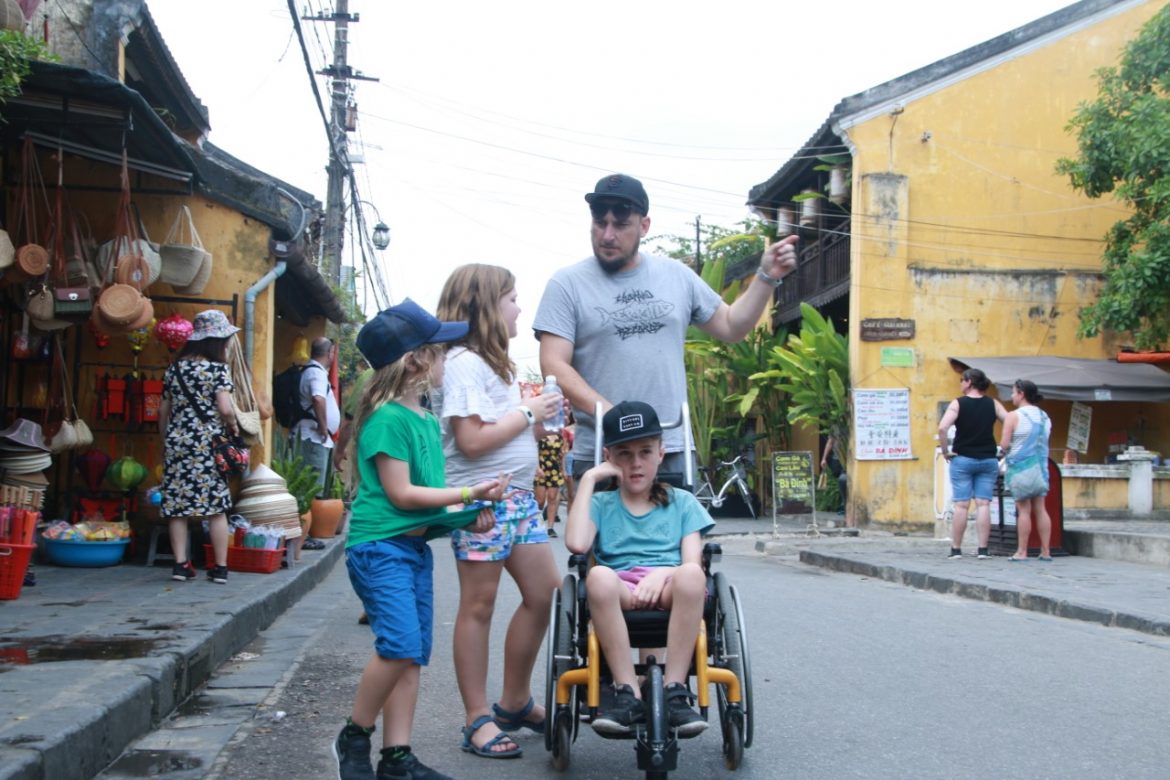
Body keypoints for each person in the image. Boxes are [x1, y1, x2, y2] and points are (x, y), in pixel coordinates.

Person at [332, 299, 508, 780]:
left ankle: (397, 758)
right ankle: (353, 735)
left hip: (409, 550)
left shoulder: (426, 420)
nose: (447, 360)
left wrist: (465, 517)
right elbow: (403, 495)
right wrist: (470, 490)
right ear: (417, 360)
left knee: (410, 655)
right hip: (378, 549)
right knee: (400, 645)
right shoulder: (388, 419)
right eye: (441, 351)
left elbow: (427, 503)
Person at [534, 173, 798, 482]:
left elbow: (731, 326)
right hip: (602, 451)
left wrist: (767, 277)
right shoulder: (567, 284)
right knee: (596, 533)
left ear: (644, 226)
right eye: (599, 223)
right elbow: (552, 364)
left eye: (620, 225)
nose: (607, 235)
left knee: (682, 532)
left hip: (669, 449)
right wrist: (615, 418)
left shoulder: (676, 276)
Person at [432, 264, 563, 759]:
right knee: (479, 606)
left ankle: (512, 702)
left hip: (521, 501)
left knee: (545, 592)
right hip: (481, 503)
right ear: (487, 306)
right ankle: (476, 720)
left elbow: (502, 432)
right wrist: (529, 414)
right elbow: (469, 442)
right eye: (511, 299)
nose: (519, 309)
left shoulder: (496, 364)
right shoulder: (463, 361)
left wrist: (537, 423)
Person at [565, 400, 715, 737]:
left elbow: (691, 563)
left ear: (661, 453)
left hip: (669, 586)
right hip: (620, 590)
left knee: (692, 573)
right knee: (598, 575)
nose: (635, 463)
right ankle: (627, 691)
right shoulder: (602, 503)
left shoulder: (683, 502)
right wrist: (589, 479)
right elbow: (576, 544)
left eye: (645, 452)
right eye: (624, 454)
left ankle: (675, 690)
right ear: (609, 457)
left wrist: (663, 573)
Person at [158, 309, 240, 585]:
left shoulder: (174, 369)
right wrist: (233, 425)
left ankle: (181, 565)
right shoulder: (217, 369)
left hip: (178, 442)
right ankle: (220, 568)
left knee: (177, 506)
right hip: (208, 443)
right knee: (216, 506)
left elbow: (163, 411)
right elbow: (225, 407)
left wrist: (166, 441)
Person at [938, 368, 1008, 560]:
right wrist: (1004, 446)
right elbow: (1010, 421)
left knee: (961, 505)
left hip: (963, 459)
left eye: (962, 380)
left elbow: (943, 427)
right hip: (988, 459)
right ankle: (983, 550)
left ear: (969, 382)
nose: (961, 384)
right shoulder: (993, 404)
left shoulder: (958, 404)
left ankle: (956, 549)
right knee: (983, 503)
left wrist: (945, 451)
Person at [999, 379, 1053, 561]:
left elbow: (1005, 445)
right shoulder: (1045, 417)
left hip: (1020, 468)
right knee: (1041, 508)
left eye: (1013, 392)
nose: (1012, 396)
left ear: (1021, 393)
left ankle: (1022, 551)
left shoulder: (1013, 416)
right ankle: (1045, 551)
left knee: (1023, 510)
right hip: (1041, 468)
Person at [291, 337, 340, 499]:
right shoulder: (316, 372)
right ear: (329, 353)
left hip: (314, 438)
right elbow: (318, 398)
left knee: (313, 489)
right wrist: (324, 427)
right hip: (313, 439)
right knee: (313, 490)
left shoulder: (311, 370)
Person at [535, 430, 566, 537]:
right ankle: (537, 522)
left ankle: (550, 527)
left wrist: (564, 470)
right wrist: (537, 468)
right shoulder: (539, 433)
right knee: (540, 500)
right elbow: (534, 451)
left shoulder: (559, 436)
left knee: (552, 498)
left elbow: (562, 455)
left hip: (554, 469)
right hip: (541, 468)